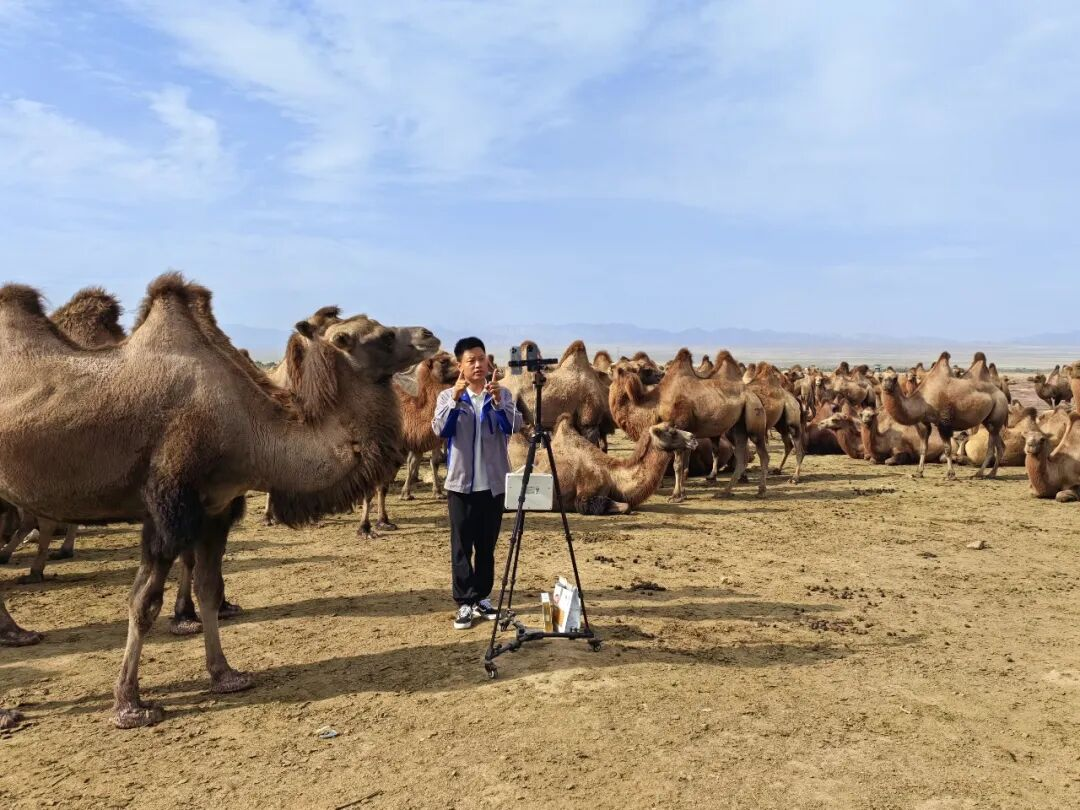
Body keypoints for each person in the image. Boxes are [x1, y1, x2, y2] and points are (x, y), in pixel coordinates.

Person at [432, 337, 523, 630]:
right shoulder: (447, 397)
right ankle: (464, 603)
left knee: (487, 545)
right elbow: (439, 429)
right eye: (471, 360)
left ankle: (482, 597)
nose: (478, 365)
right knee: (461, 546)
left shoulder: (502, 393)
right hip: (461, 485)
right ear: (460, 366)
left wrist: (498, 403)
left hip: (493, 486)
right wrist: (456, 400)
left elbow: (514, 426)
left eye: (481, 359)